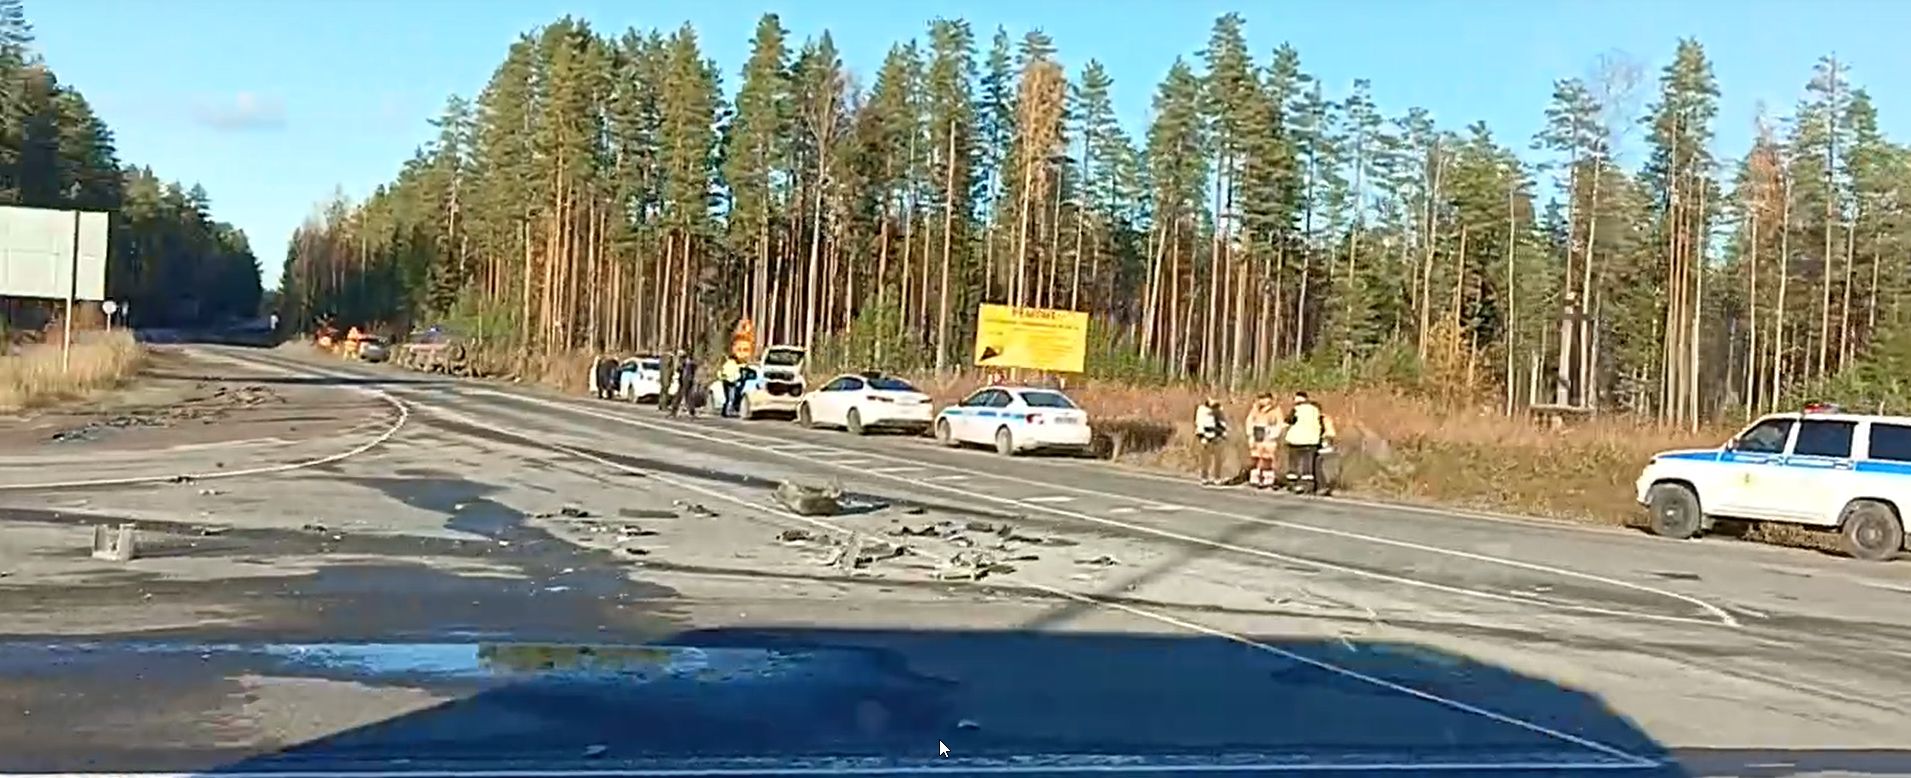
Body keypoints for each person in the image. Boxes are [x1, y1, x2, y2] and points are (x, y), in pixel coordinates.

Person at [1281, 391, 1329, 494]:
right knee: (1308, 465)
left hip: (1295, 441)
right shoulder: (1316, 411)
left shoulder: (1296, 409)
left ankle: (1293, 484)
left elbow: (1288, 421)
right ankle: (1308, 486)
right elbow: (1322, 427)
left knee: (1293, 464)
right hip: (1312, 442)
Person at [1245, 393, 1283, 489]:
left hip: (1269, 436)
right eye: (1260, 398)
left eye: (1264, 398)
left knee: (1267, 458)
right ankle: (1255, 478)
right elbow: (1249, 421)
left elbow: (1279, 423)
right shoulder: (1255, 409)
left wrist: (1274, 434)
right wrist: (1250, 434)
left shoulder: (1276, 410)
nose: (1262, 401)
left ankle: (1268, 479)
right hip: (1257, 434)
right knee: (1255, 457)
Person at [1193, 398, 1229, 486]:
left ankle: (1217, 477)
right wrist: (1202, 437)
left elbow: (1222, 421)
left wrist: (1224, 433)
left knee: (1218, 458)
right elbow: (1199, 424)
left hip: (1217, 436)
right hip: (1206, 436)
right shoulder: (1202, 411)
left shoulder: (1219, 410)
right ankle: (1204, 477)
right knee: (1205, 459)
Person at [669, 349, 700, 418]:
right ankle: (677, 411)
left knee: (683, 396)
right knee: (684, 397)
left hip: (686, 381)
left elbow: (689, 371)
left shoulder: (688, 363)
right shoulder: (685, 363)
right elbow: (678, 369)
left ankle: (688, 411)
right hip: (684, 381)